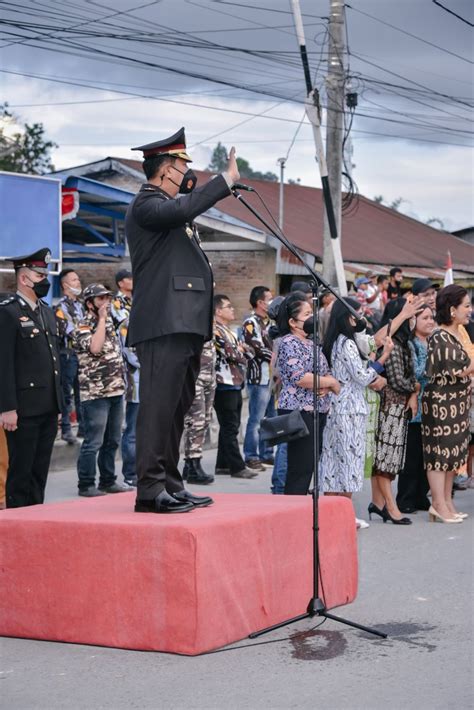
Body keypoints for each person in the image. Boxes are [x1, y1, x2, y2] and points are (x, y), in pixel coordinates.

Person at [125, 127, 239, 514]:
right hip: (163, 323)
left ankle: (171, 483)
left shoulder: (171, 210)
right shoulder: (148, 204)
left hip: (185, 323)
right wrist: (223, 182)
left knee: (177, 407)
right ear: (165, 170)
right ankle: (149, 488)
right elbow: (184, 208)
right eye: (181, 166)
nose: (187, 174)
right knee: (158, 407)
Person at [0, 249, 62, 508]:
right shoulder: (8, 313)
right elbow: (3, 363)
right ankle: (17, 526)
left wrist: (59, 404)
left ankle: (36, 522)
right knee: (20, 473)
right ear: (24, 279)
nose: (44, 280)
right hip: (23, 408)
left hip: (47, 405)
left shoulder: (46, 312)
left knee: (39, 472)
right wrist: (7, 407)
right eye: (40, 275)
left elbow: (54, 362)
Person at [320, 299, 389, 522]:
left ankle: (331, 515)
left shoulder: (334, 341)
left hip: (337, 408)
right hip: (350, 410)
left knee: (333, 463)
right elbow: (361, 376)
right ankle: (343, 515)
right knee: (348, 463)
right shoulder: (346, 343)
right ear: (348, 317)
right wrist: (383, 357)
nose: (362, 318)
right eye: (358, 314)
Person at [276, 293, 340, 495]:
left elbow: (322, 372)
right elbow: (300, 377)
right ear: (293, 322)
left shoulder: (311, 343)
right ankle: (292, 514)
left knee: (309, 466)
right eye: (306, 314)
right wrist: (330, 382)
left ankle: (301, 512)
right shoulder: (288, 342)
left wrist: (325, 383)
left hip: (317, 410)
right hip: (299, 412)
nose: (311, 317)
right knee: (300, 468)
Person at [73, 284, 131, 497]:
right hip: (95, 393)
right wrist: (100, 320)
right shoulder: (83, 326)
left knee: (112, 440)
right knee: (94, 441)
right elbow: (95, 348)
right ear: (90, 304)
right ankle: (86, 483)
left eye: (107, 298)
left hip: (115, 390)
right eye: (100, 299)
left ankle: (108, 480)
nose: (106, 303)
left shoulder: (111, 324)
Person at [421, 285, 473, 523]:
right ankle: (438, 505)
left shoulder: (456, 334)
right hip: (441, 403)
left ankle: (448, 503)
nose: (470, 310)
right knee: (439, 455)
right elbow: (459, 371)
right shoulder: (439, 336)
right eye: (467, 305)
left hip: (458, 403)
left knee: (453, 454)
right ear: (453, 309)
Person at [371, 298, 419, 525]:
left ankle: (378, 504)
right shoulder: (391, 344)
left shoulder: (401, 344)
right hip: (390, 406)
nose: (413, 321)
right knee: (386, 461)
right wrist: (415, 387)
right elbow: (399, 380)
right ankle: (391, 508)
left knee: (386, 459)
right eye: (409, 316)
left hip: (396, 406)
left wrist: (413, 391)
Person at [213, 295, 257, 479]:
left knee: (231, 425)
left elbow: (249, 351)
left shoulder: (229, 331)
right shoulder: (215, 331)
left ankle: (222, 464)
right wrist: (240, 352)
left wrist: (241, 351)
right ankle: (237, 467)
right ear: (218, 311)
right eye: (228, 307)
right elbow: (232, 354)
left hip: (235, 382)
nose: (232, 310)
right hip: (223, 383)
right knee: (230, 426)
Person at [396, 305, 435, 514]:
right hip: (415, 406)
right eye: (425, 318)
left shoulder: (431, 342)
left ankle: (421, 495)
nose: (430, 322)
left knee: (424, 456)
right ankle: (406, 498)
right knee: (411, 457)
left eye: (432, 318)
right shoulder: (411, 345)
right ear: (415, 321)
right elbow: (415, 372)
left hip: (431, 406)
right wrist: (435, 362)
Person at [111, 268, 138, 487]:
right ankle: (130, 473)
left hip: (147, 372)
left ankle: (141, 470)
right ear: (121, 283)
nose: (133, 281)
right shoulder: (118, 304)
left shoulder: (139, 300)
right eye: (129, 278)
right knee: (133, 426)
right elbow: (127, 332)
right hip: (133, 372)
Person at [242, 285, 274, 471]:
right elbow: (257, 348)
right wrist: (277, 357)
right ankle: (251, 455)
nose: (271, 302)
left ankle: (266, 453)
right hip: (258, 378)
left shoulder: (271, 323)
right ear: (260, 302)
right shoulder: (250, 323)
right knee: (256, 418)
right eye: (269, 298)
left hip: (272, 378)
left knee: (270, 418)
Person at [55, 268, 85, 444]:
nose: (78, 282)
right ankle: (66, 429)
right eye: (74, 280)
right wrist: (85, 332)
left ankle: (82, 427)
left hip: (81, 353)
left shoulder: (80, 305)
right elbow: (71, 330)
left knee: (81, 392)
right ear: (65, 285)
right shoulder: (61, 307)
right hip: (67, 354)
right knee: (66, 393)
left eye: (78, 279)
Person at [182, 340, 216, 485]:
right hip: (195, 378)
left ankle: (189, 465)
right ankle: (194, 465)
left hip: (209, 376)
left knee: (205, 420)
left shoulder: (210, 323)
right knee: (196, 422)